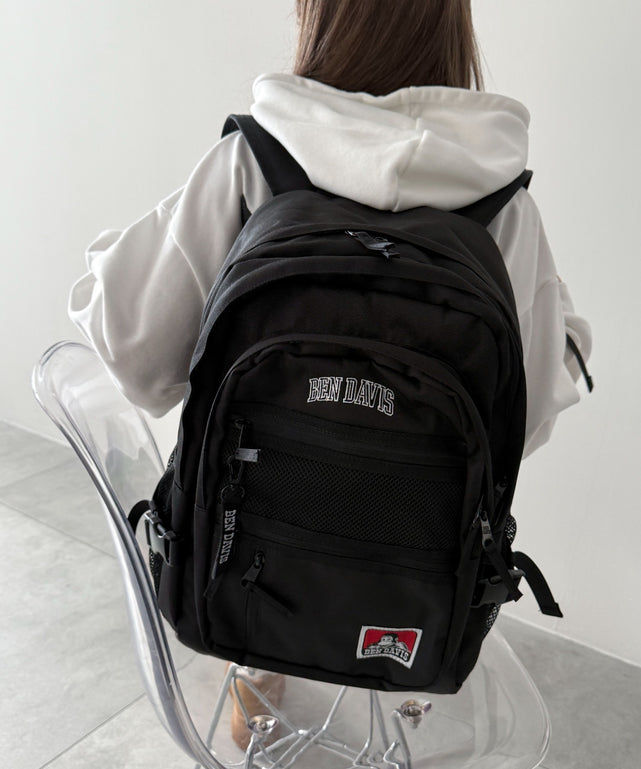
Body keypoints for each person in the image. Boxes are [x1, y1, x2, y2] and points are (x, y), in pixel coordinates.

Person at [68, 0, 592, 746]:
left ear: (319, 20)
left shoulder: (256, 158)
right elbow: (521, 425)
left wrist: (108, 262)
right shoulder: (505, 203)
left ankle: (260, 668)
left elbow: (141, 360)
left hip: (237, 574)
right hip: (419, 598)